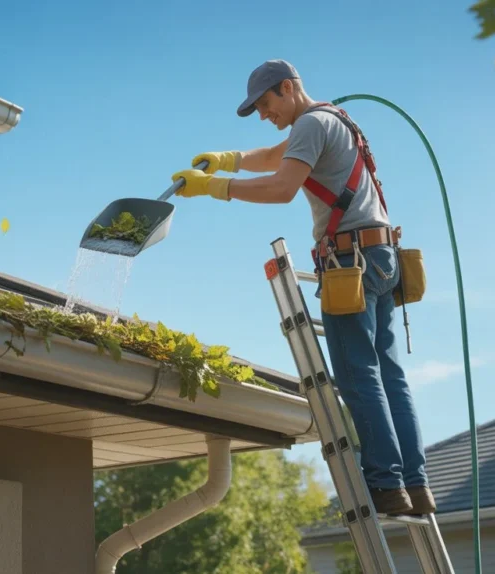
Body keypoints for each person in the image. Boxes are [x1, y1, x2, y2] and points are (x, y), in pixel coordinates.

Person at [170, 59, 434, 516]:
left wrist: (215, 187)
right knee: (390, 375)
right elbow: (277, 156)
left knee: (357, 374)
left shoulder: (311, 123)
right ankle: (416, 483)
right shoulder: (332, 119)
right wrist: (229, 158)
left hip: (348, 260)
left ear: (288, 88)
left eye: (266, 104)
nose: (263, 115)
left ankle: (386, 485)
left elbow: (281, 187)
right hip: (382, 255)